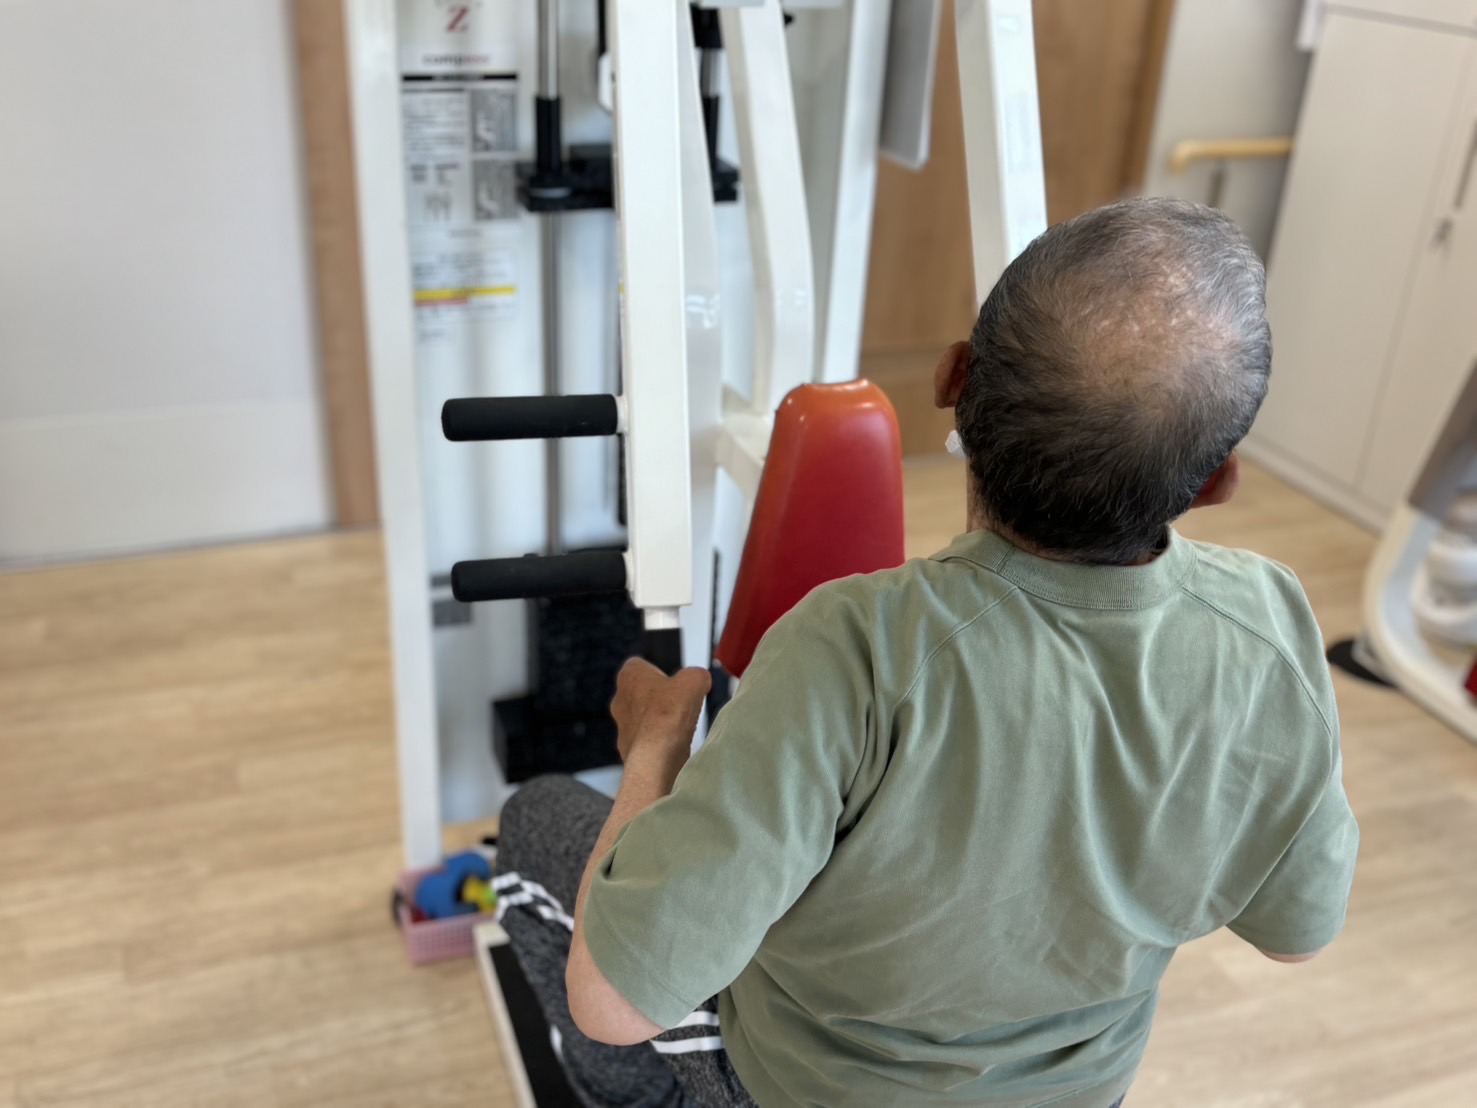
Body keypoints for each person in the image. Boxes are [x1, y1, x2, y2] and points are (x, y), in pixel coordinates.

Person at [493, 197, 1361, 1108]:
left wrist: (653, 753)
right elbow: (1297, 934)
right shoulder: (1270, 627)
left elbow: (611, 1005)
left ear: (953, 377)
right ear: (1218, 481)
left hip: (805, 1090)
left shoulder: (849, 649)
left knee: (535, 820)